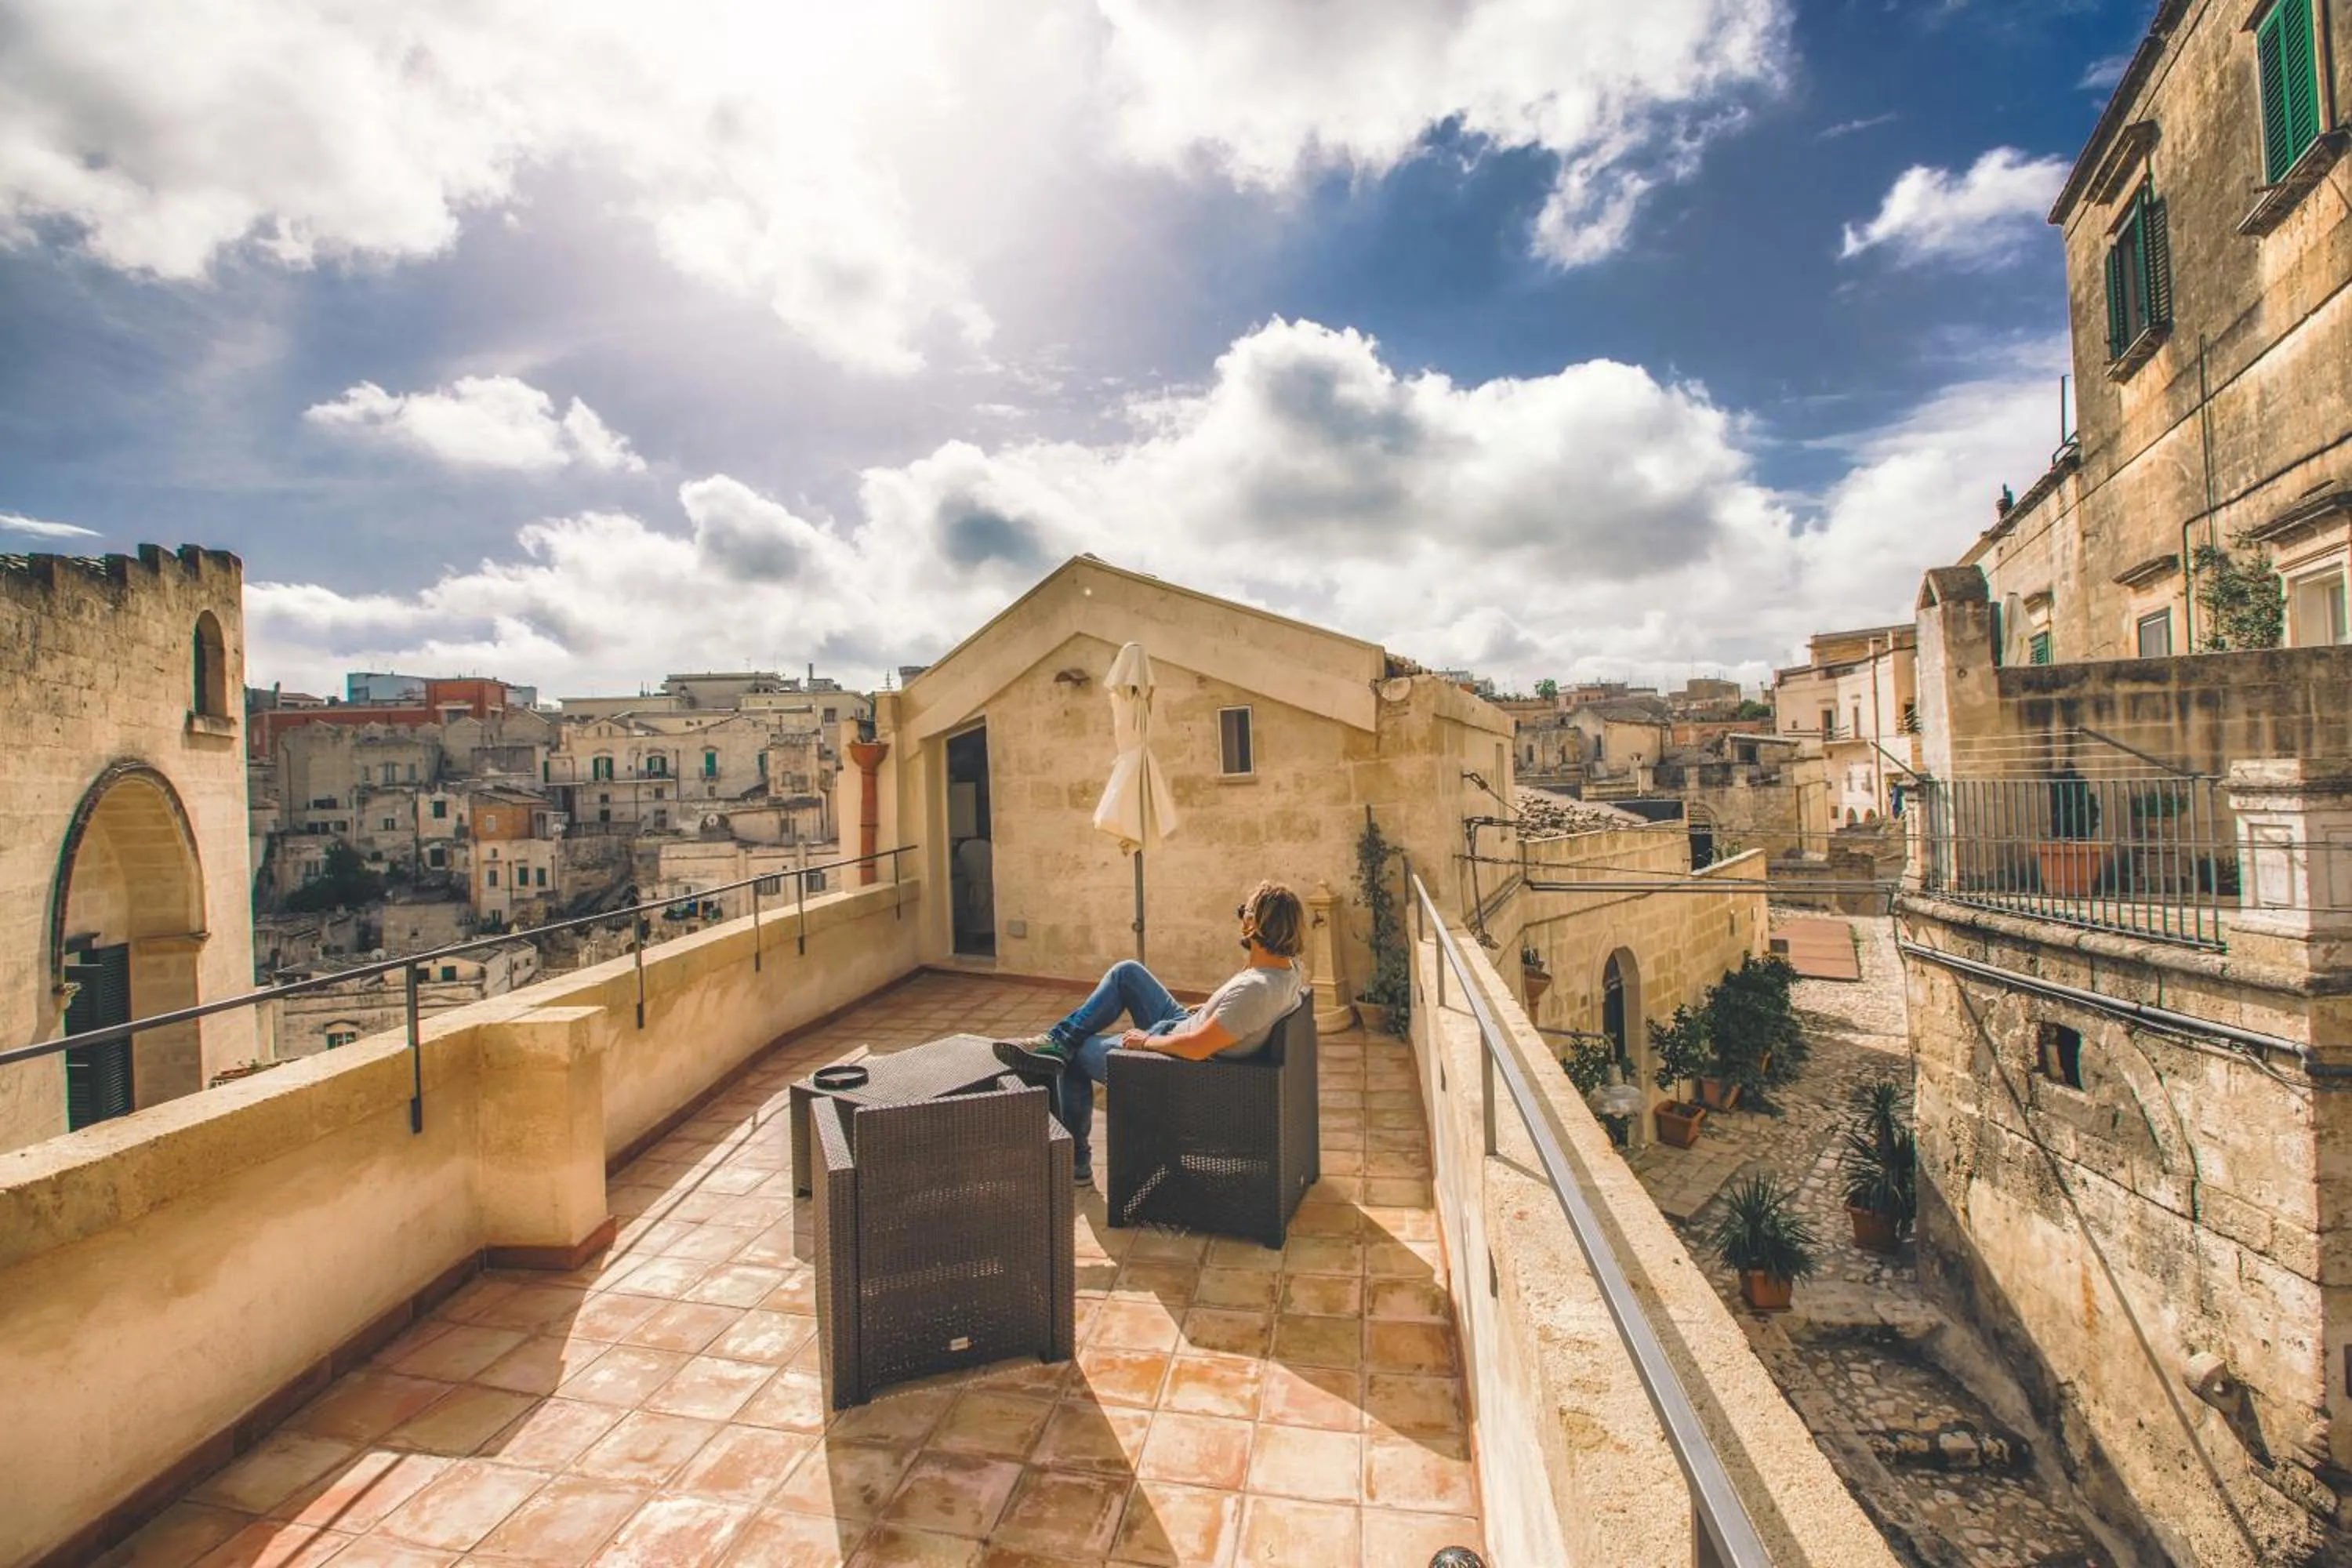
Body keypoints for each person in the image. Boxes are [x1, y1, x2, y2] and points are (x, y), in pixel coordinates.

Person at [995, 880, 1308, 1185]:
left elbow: (1198, 1048)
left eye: (1244, 911)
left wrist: (1146, 1042)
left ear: (1254, 923)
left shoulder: (1255, 991)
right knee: (1126, 973)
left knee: (1077, 1052)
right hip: (1184, 1026)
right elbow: (1238, 1017)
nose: (1241, 918)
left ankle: (1076, 1159)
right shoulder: (1288, 969)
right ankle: (1057, 1041)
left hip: (1177, 1065)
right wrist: (1209, 1009)